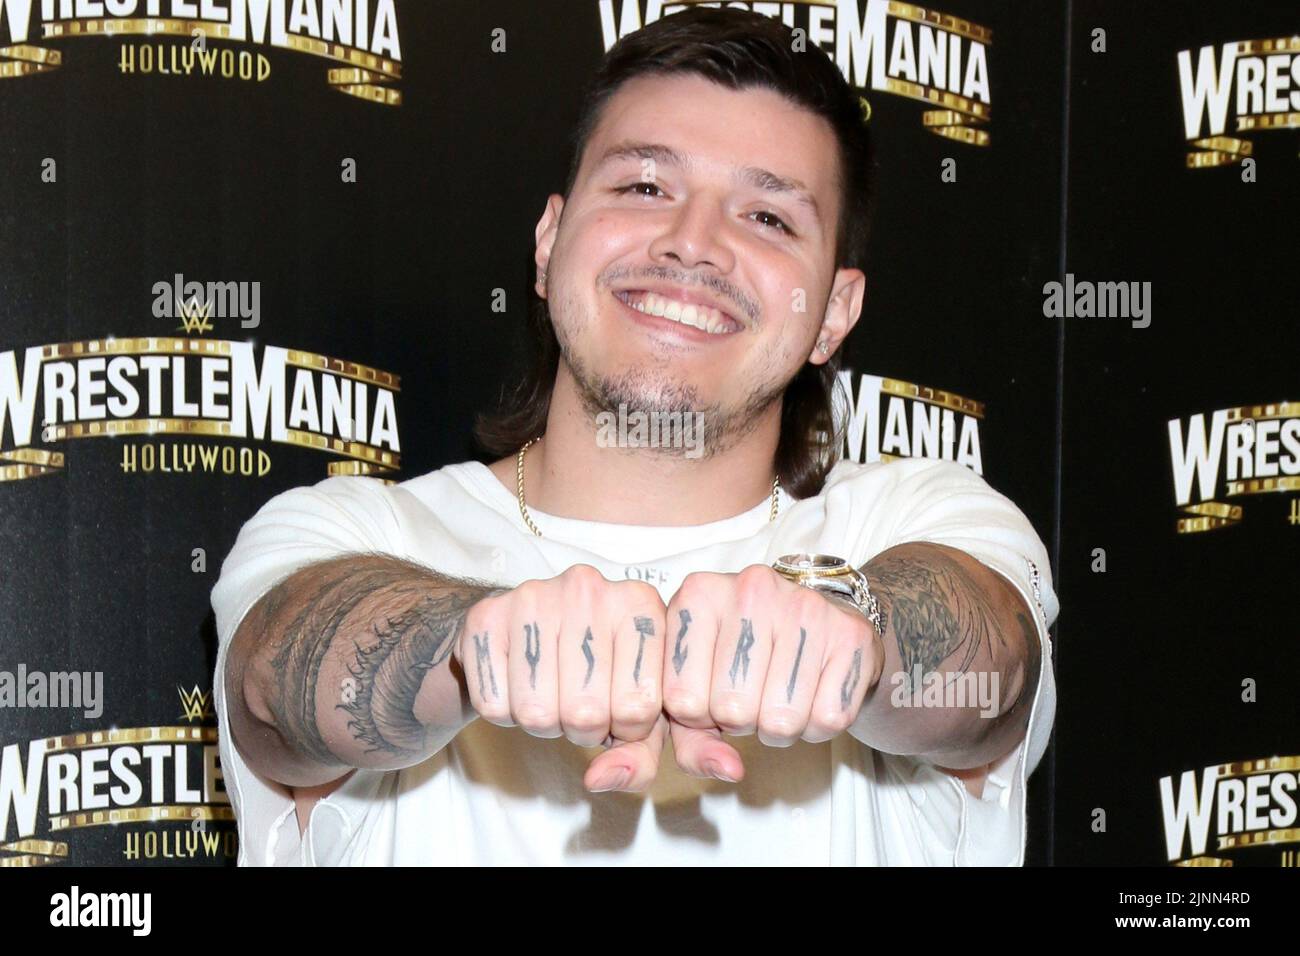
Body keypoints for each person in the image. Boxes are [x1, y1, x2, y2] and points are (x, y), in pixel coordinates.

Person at [211, 6, 1058, 866]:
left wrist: (858, 635)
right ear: (548, 244)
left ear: (835, 313)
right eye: (645, 186)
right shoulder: (353, 534)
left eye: (768, 217)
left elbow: (995, 684)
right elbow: (274, 691)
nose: (694, 244)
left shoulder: (911, 522)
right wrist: (470, 643)